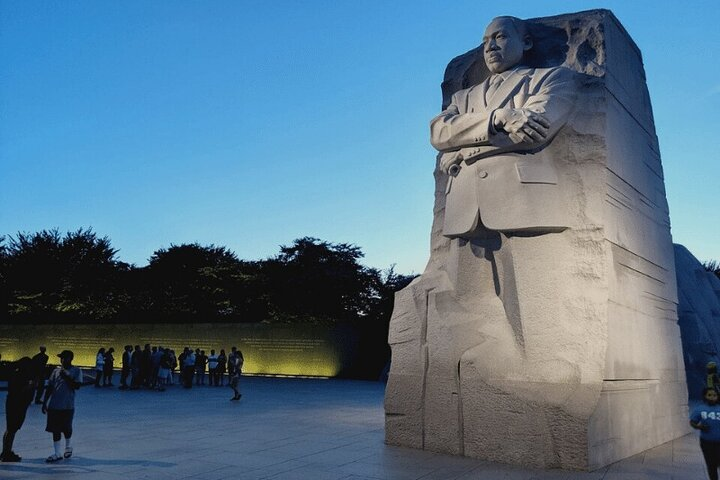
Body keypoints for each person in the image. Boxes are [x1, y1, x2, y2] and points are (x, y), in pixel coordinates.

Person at [42, 350, 83, 463]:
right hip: (54, 405)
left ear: (71, 358)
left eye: (64, 357)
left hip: (67, 405)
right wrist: (45, 402)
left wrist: (66, 377)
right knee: (55, 429)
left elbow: (77, 386)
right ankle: (57, 453)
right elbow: (50, 387)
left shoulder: (76, 371)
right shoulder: (55, 371)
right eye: (61, 358)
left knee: (67, 428)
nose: (62, 360)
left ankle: (68, 446)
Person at [1, 357, 35, 462]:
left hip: (12, 403)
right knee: (12, 430)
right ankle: (7, 453)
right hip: (17, 405)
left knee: (9, 429)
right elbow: (22, 392)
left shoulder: (14, 374)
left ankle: (5, 451)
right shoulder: (23, 377)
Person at [691, 388, 720, 480]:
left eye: (714, 395)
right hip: (707, 443)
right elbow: (693, 422)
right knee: (711, 465)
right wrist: (699, 427)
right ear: (705, 396)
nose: (712, 397)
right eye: (709, 395)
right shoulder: (699, 409)